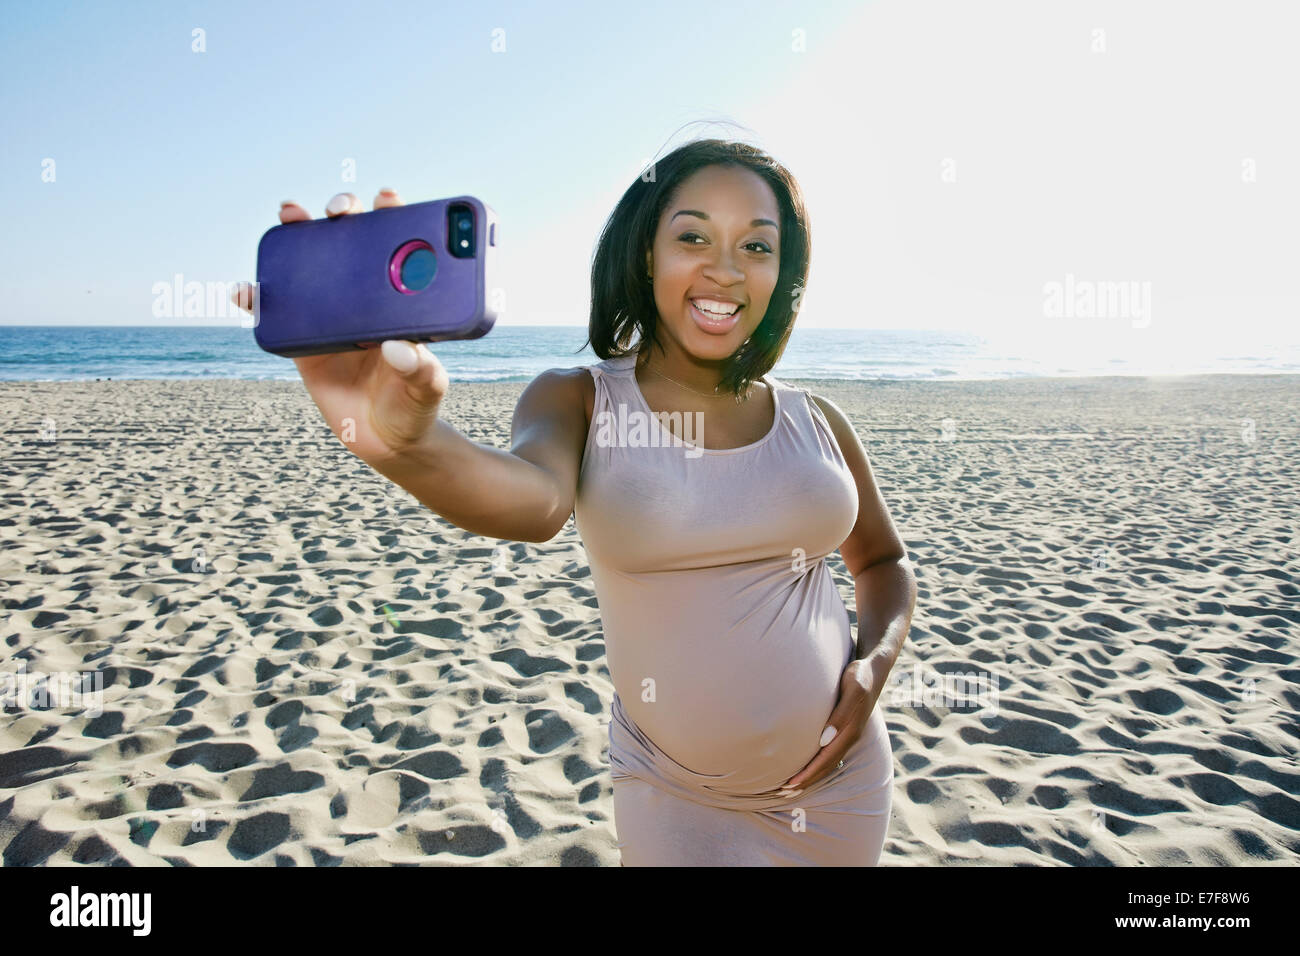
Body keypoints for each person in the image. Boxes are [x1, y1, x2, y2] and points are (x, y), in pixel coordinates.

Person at [232, 138, 917, 866]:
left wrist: (872, 668)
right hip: (680, 802)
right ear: (645, 254)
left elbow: (882, 561)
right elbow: (534, 503)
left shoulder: (818, 419)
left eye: (757, 245)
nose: (724, 268)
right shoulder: (580, 399)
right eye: (692, 237)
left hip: (842, 791)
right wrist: (409, 448)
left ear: (782, 273)